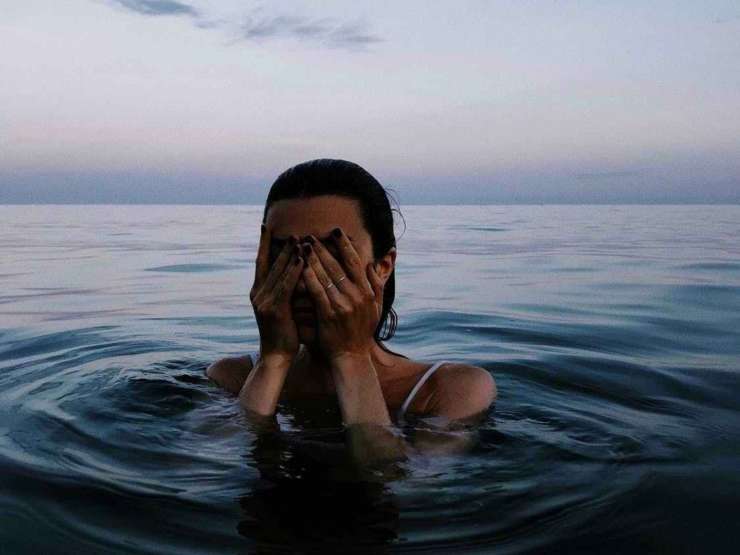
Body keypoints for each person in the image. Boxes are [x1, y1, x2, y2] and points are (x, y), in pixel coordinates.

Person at [207, 159, 496, 460]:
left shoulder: (449, 390)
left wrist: (351, 357)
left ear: (383, 267)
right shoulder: (232, 377)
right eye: (285, 255)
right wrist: (273, 360)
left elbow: (394, 479)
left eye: (329, 255)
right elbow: (218, 468)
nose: (305, 279)